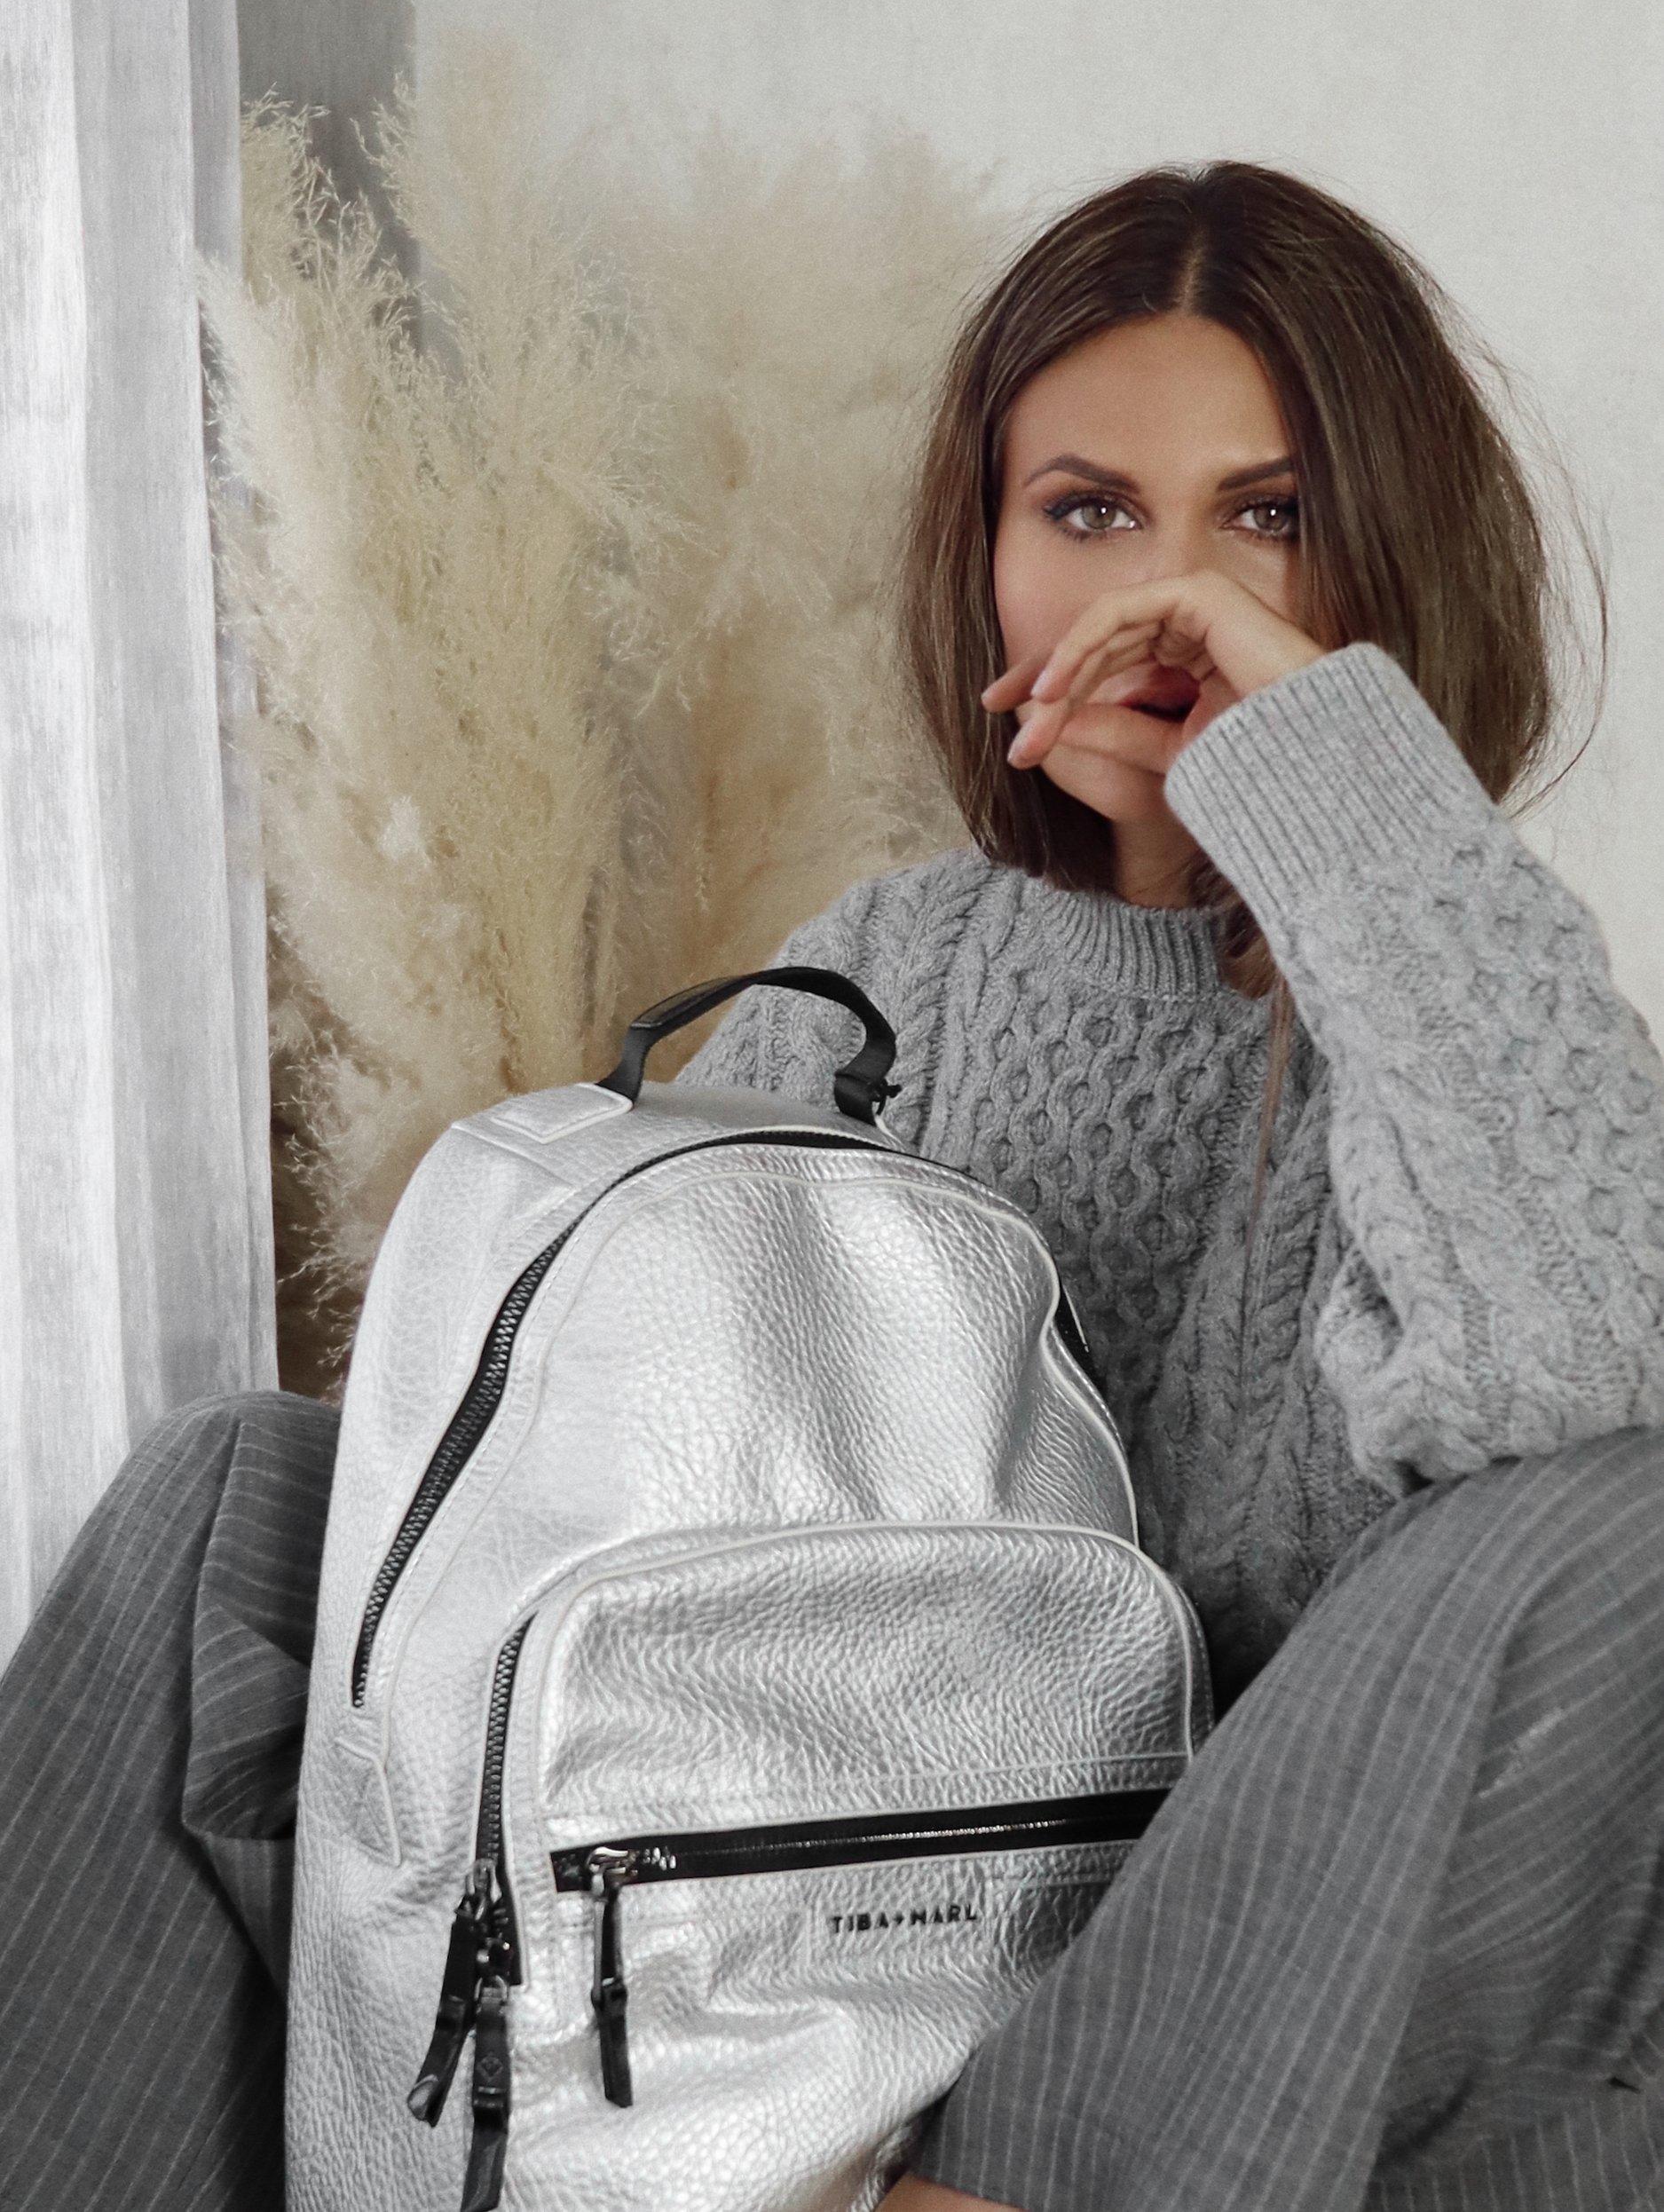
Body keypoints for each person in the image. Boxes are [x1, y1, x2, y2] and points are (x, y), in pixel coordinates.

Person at [4, 156, 1664, 2212]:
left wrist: (1334, 802)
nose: (1170, 595)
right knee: (234, 1500)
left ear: (1391, 548)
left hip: (1266, 1996)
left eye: (1268, 515)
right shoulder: (880, 974)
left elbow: (1582, 1375)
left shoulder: (1458, 981)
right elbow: (599, 1500)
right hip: (861, 1898)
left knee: (1628, 1511)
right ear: (988, 555)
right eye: (1087, 512)